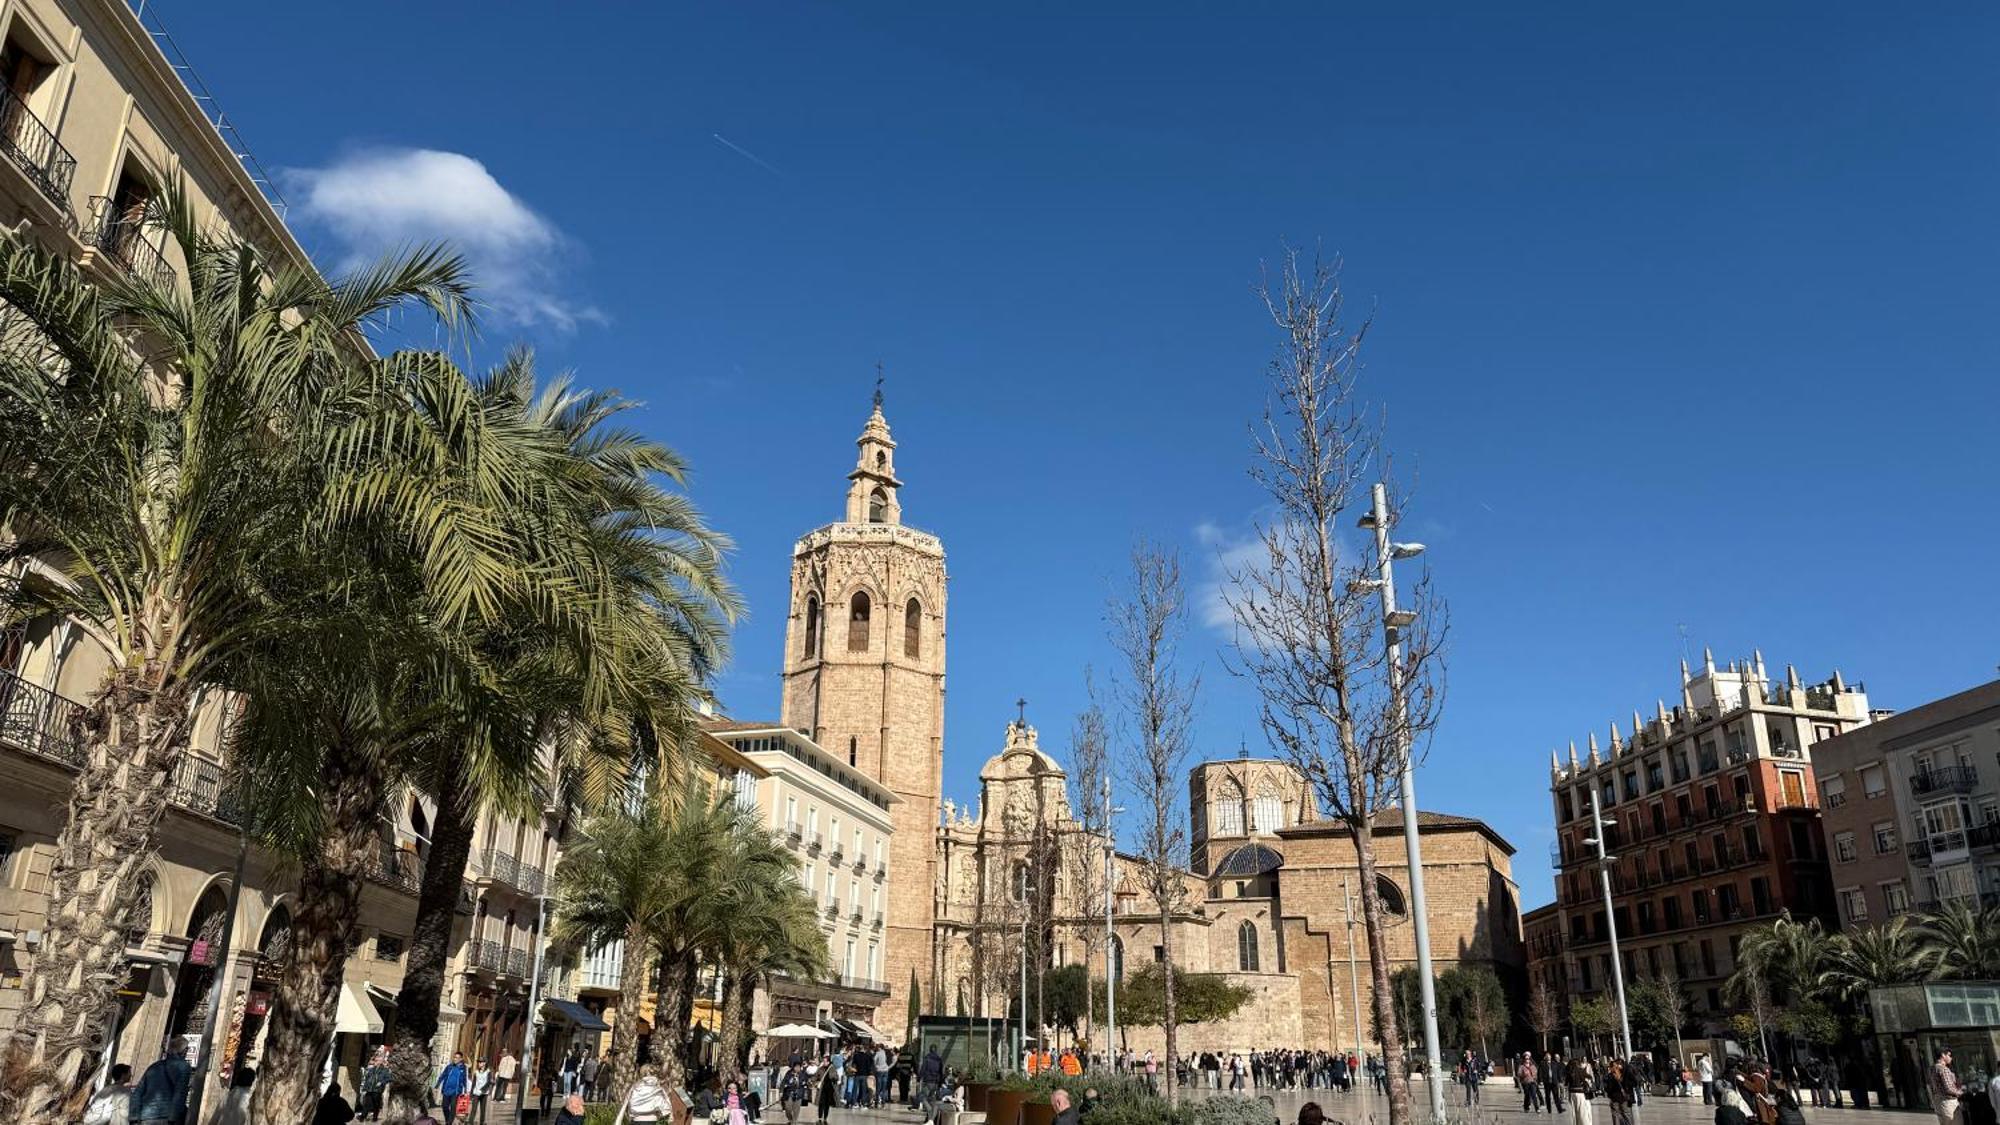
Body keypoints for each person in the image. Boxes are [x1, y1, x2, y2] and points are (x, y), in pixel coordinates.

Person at [131, 1042, 194, 1125]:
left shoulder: (154, 1066)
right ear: (184, 1051)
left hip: (146, 1116)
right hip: (166, 1117)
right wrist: (173, 1118)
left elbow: (138, 1092)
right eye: (187, 1049)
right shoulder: (184, 1066)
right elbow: (180, 1093)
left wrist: (134, 1117)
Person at [436, 1051, 471, 1124]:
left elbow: (465, 1079)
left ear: (461, 1059)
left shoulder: (463, 1068)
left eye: (457, 1058)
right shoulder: (449, 1066)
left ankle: (449, 1123)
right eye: (455, 1057)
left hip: (456, 1091)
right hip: (446, 1090)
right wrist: (438, 1084)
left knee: (453, 1107)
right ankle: (448, 1120)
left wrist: (466, 1090)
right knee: (444, 1107)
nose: (455, 1059)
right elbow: (443, 1075)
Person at [1932, 1048, 1965, 1125]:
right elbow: (1949, 1088)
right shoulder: (1944, 1069)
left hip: (1938, 1102)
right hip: (1948, 1103)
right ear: (1943, 1055)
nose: (1951, 1058)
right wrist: (1961, 1093)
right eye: (1949, 1055)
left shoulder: (1933, 1068)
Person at [360, 1049, 393, 1121]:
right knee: (367, 1103)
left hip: (377, 1090)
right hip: (370, 1089)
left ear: (380, 1062)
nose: (375, 1062)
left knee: (376, 1104)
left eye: (377, 1060)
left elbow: (390, 1078)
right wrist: (365, 1088)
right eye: (375, 1060)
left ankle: (375, 1117)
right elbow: (367, 1079)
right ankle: (363, 1117)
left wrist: (381, 1082)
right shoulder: (371, 1070)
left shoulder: (384, 1070)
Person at [1566, 1053, 1596, 1125]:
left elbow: (1566, 1083)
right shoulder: (1580, 1070)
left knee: (1574, 1113)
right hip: (1580, 1093)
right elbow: (1587, 1077)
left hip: (1572, 1093)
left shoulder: (1569, 1072)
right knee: (1582, 1113)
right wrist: (1588, 1083)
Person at [1604, 1058, 1635, 1125]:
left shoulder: (1613, 1075)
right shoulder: (1621, 1073)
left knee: (1617, 1115)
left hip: (1619, 1097)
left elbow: (1608, 1088)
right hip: (1621, 1098)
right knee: (1624, 1114)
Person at [917, 1045, 944, 1114]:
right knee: (931, 1098)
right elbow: (941, 1072)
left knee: (921, 1097)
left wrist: (919, 1078)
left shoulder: (927, 1058)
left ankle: (929, 1110)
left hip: (928, 1081)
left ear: (930, 1050)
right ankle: (931, 1115)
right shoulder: (939, 1059)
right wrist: (940, 1083)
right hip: (936, 1082)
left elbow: (923, 1069)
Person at [815, 1059, 839, 1125]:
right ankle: (820, 1118)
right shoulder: (820, 1069)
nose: (824, 1062)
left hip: (829, 1090)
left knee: (827, 1104)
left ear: (828, 1062)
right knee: (821, 1103)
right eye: (823, 1061)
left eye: (825, 1061)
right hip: (822, 1089)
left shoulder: (832, 1068)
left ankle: (825, 1118)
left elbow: (837, 1077)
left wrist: (834, 1078)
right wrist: (812, 1081)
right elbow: (815, 1076)